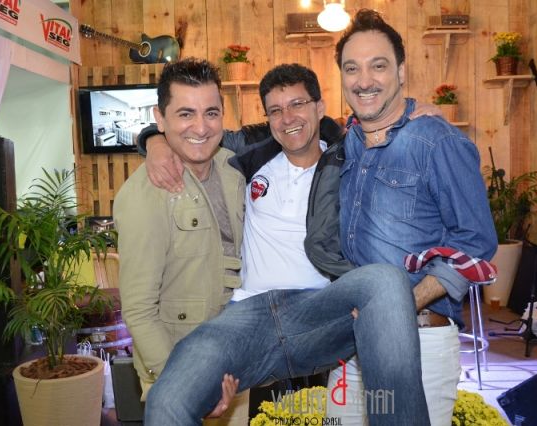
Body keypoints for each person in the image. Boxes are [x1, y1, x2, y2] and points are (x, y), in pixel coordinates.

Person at [143, 63, 431, 426]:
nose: (288, 118)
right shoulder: (249, 156)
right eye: (276, 110)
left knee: (386, 281)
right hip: (246, 315)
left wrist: (421, 117)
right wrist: (152, 141)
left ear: (320, 107)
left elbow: (398, 143)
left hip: (319, 310)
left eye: (297, 104)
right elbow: (192, 132)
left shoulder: (351, 161)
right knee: (166, 401)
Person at [330, 9, 498, 425]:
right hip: (350, 347)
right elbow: (280, 131)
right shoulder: (346, 143)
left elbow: (476, 241)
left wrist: (398, 304)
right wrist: (170, 146)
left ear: (401, 72)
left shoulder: (436, 141)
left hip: (419, 342)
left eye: (378, 66)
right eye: (352, 68)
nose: (364, 80)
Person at [113, 58, 249, 424]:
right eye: (185, 114)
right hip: (176, 370)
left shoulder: (234, 169)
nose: (201, 127)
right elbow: (139, 309)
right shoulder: (145, 194)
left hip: (233, 364)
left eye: (211, 113)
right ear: (160, 119)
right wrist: (187, 384)